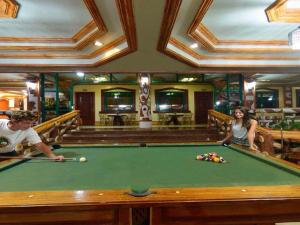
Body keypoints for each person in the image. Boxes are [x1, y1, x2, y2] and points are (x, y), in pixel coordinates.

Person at [0, 111, 64, 161]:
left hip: (9, 152)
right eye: (27, 123)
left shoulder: (28, 130)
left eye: (31, 123)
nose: (29, 126)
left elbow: (39, 144)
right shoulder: (1, 124)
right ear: (15, 121)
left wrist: (52, 156)